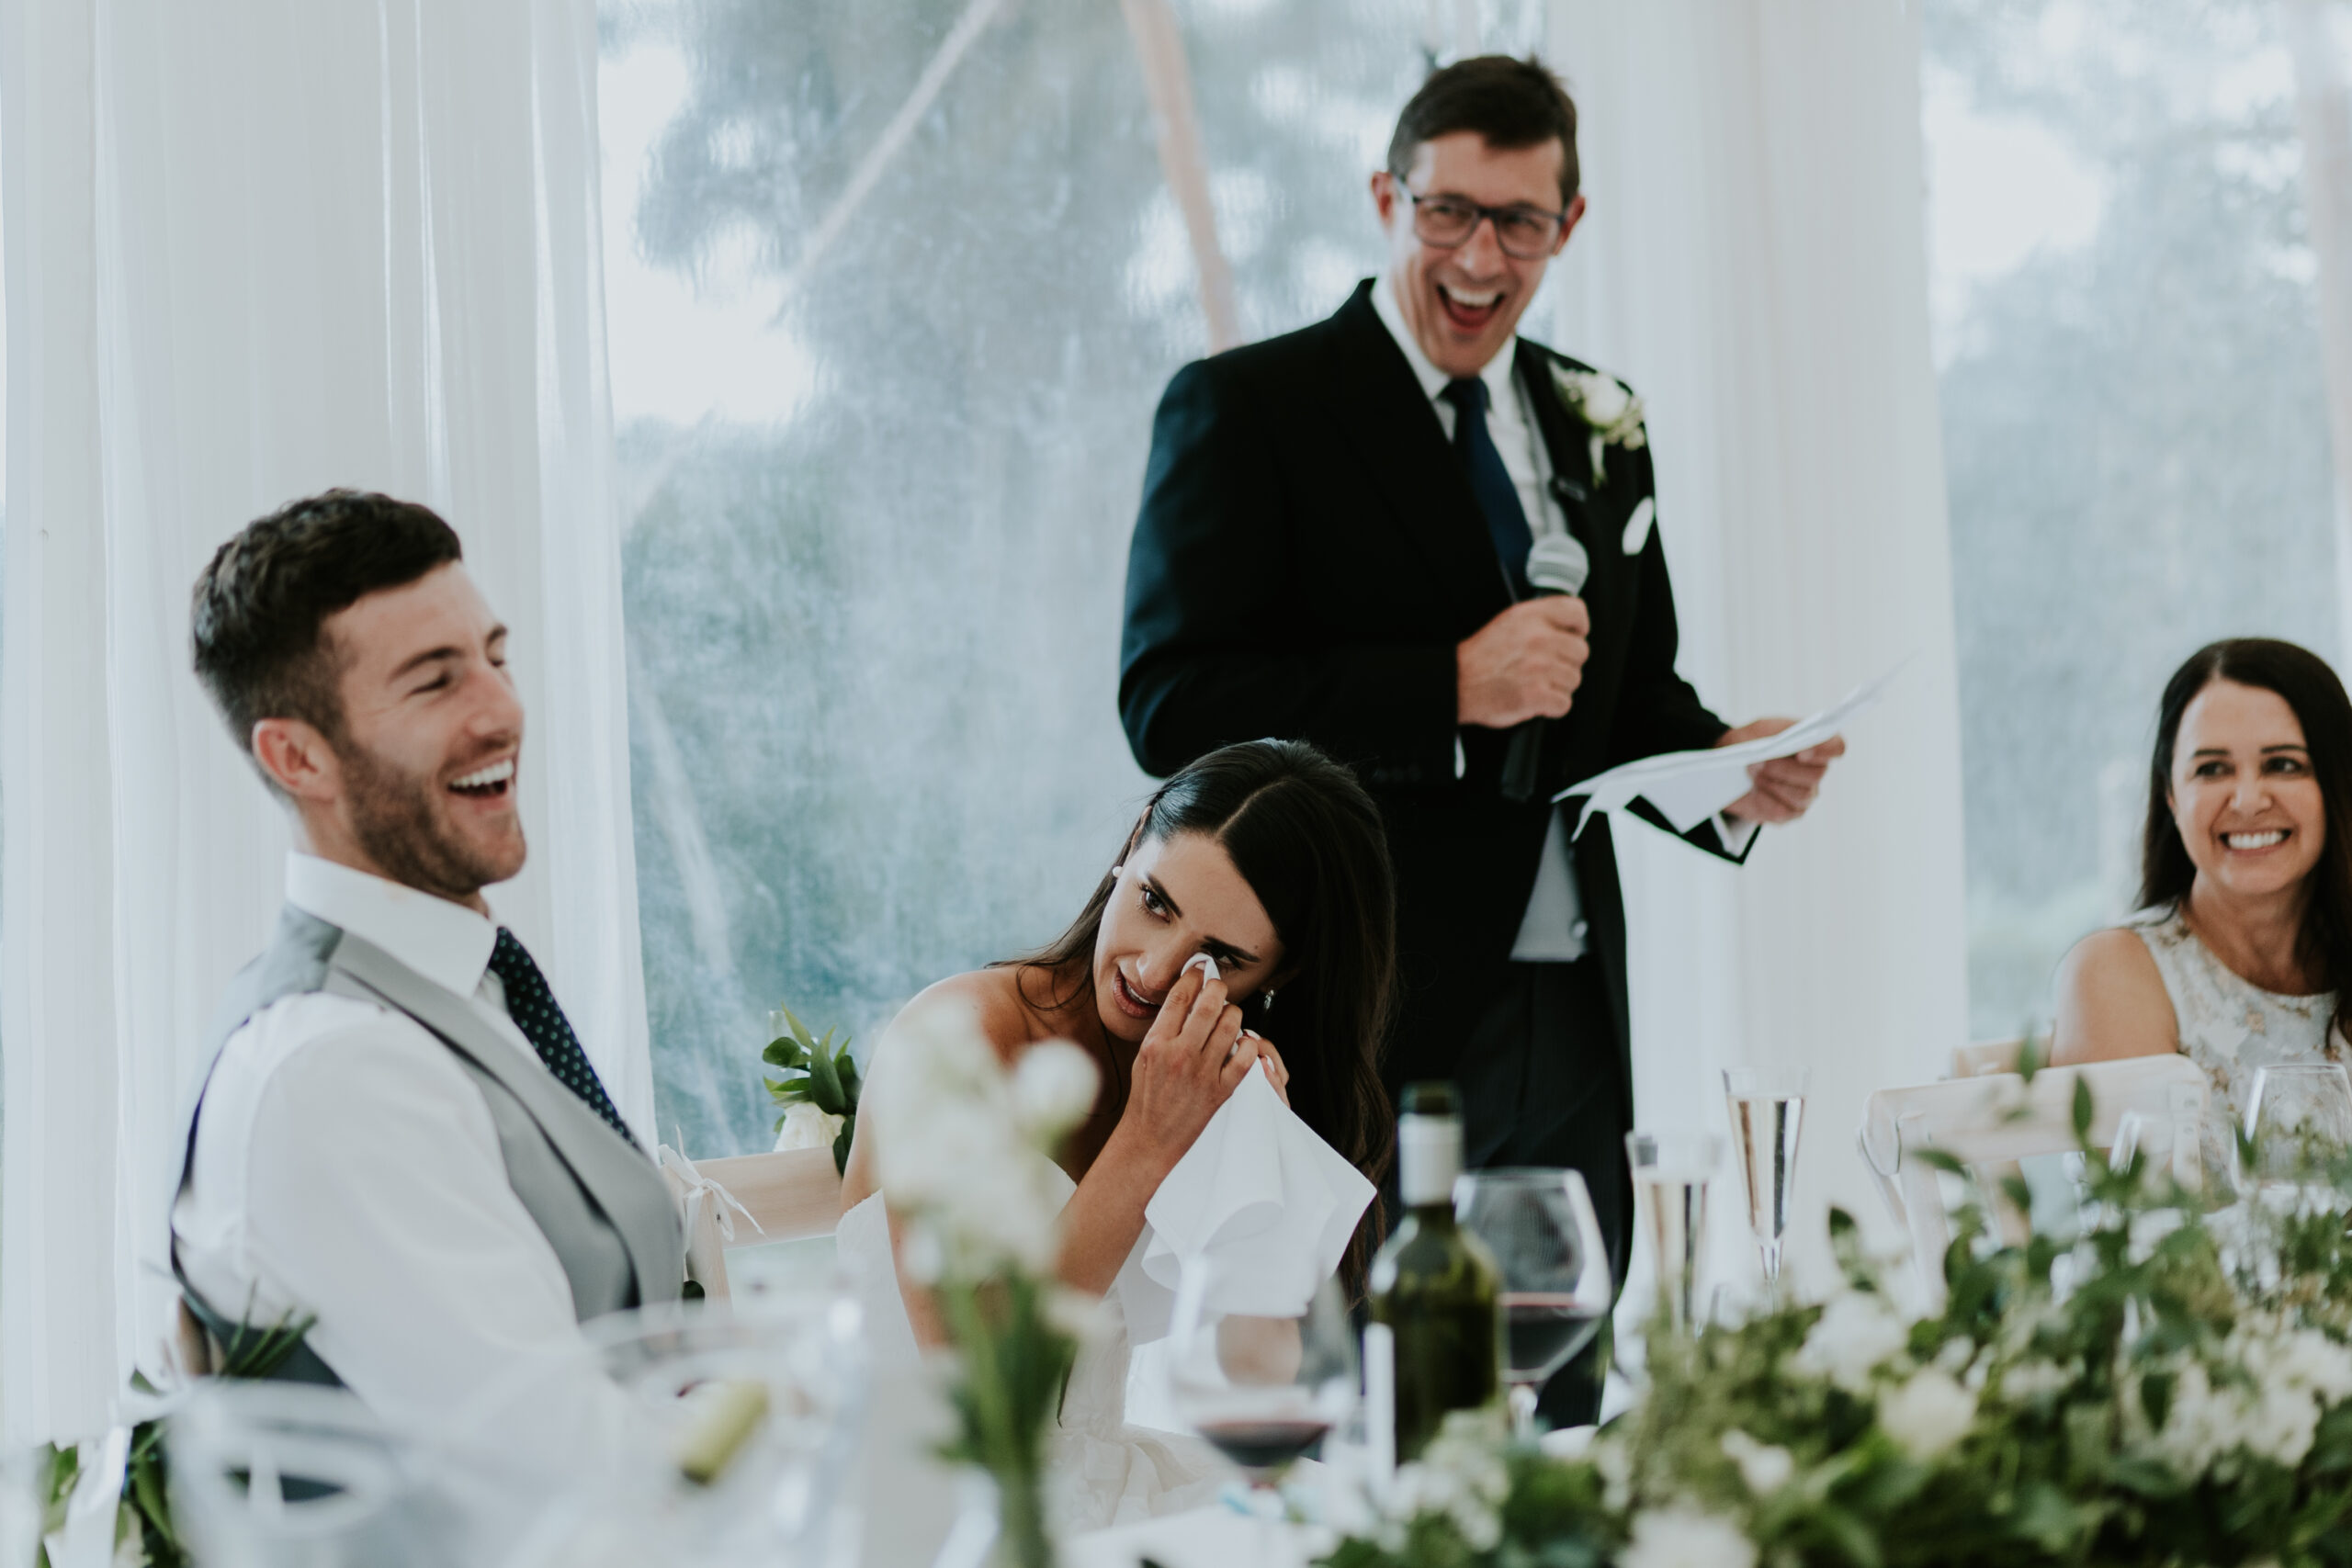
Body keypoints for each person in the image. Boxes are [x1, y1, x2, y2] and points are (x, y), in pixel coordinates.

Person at [1117, 55, 1840, 1424]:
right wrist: (1441, 685)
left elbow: (1622, 703)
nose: (1478, 254)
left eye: (1519, 221)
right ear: (1388, 198)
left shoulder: (1599, 418)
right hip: (1356, 991)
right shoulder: (1251, 407)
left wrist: (1729, 767)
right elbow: (1170, 700)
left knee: (1558, 1377)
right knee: (1367, 1392)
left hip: (1568, 995)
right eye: (1448, 212)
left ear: (1570, 226)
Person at [170, 490, 683, 1497]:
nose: (500, 709)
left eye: (494, 656)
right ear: (297, 756)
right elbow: (572, 1474)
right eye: (434, 681)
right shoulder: (332, 1069)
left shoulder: (462, 988)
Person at [837, 738, 1397, 1529]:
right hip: (929, 1500)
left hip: (1104, 1484)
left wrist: (1255, 1151)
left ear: (1278, 977)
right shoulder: (957, 1038)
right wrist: (1149, 1139)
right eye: (1156, 902)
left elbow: (1267, 1375)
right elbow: (976, 1380)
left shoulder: (1197, 1077)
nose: (1156, 969)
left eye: (1221, 956)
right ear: (1132, 845)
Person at [2053, 638, 2352, 1173]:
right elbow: (2157, 1230)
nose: (2247, 800)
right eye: (2212, 770)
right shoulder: (2115, 974)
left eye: (2282, 765)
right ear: (2171, 795)